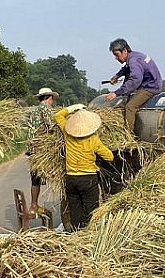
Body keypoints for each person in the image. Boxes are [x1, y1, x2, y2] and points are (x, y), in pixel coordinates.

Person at [54, 104, 114, 230]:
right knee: (90, 210)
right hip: (88, 179)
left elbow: (58, 115)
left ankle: (76, 231)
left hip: (71, 179)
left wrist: (72, 108)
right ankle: (86, 234)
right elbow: (109, 157)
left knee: (75, 208)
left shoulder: (67, 133)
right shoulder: (93, 139)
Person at [103, 38, 162, 132]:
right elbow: (127, 68)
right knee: (128, 77)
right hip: (146, 83)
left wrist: (116, 93)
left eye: (117, 55)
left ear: (125, 51)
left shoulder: (134, 61)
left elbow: (135, 80)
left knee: (130, 107)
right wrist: (117, 75)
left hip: (150, 87)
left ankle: (129, 134)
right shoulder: (134, 56)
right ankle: (124, 99)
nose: (116, 58)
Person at [27, 87, 58, 216]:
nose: (52, 101)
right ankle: (34, 206)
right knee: (52, 170)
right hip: (40, 147)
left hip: (32, 146)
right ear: (49, 98)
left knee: (36, 178)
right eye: (52, 99)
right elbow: (51, 125)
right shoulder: (45, 107)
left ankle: (34, 205)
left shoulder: (35, 109)